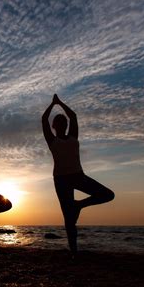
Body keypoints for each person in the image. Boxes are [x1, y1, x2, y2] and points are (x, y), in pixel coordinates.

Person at [42, 94, 114, 256]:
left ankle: (79, 205)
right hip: (61, 179)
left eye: (64, 123)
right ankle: (74, 252)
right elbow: (44, 119)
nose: (63, 125)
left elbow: (73, 116)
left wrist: (60, 102)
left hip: (78, 175)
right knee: (69, 219)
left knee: (108, 194)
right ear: (54, 126)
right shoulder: (52, 140)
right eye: (59, 123)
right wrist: (52, 104)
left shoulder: (73, 136)